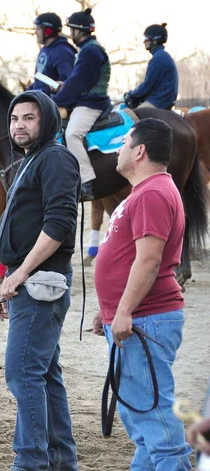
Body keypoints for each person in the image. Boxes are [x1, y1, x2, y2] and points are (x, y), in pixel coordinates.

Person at [92, 118, 193, 470]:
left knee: (155, 420)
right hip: (136, 318)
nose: (117, 151)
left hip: (144, 320)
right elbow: (130, 259)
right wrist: (109, 308)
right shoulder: (146, 192)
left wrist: (123, 310)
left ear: (139, 151)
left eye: (122, 144)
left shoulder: (152, 193)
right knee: (142, 422)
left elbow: (149, 261)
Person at [0, 90, 80, 471]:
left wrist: (21, 273)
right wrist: (6, 279)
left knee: (22, 370)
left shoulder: (57, 158)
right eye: (15, 119)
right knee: (44, 372)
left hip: (40, 282)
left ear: (46, 120)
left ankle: (30, 463)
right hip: (26, 282)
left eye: (28, 118)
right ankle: (61, 461)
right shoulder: (31, 160)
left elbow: (59, 224)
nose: (19, 125)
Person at [53, 7, 111, 201]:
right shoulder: (87, 51)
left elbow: (78, 82)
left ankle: (86, 182)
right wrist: (62, 86)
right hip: (84, 100)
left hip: (91, 104)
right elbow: (76, 80)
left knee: (72, 134)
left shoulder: (90, 52)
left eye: (72, 30)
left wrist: (56, 101)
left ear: (79, 31)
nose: (70, 34)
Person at [125, 23, 178, 110]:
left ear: (154, 40)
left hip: (158, 101)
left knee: (131, 117)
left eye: (146, 38)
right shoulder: (163, 56)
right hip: (162, 100)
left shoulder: (158, 59)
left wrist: (130, 95)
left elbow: (147, 85)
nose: (144, 41)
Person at [28, 12, 76, 97]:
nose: (35, 32)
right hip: (39, 99)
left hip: (52, 104)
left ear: (48, 31)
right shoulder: (44, 49)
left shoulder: (62, 52)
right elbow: (40, 81)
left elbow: (67, 83)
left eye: (38, 29)